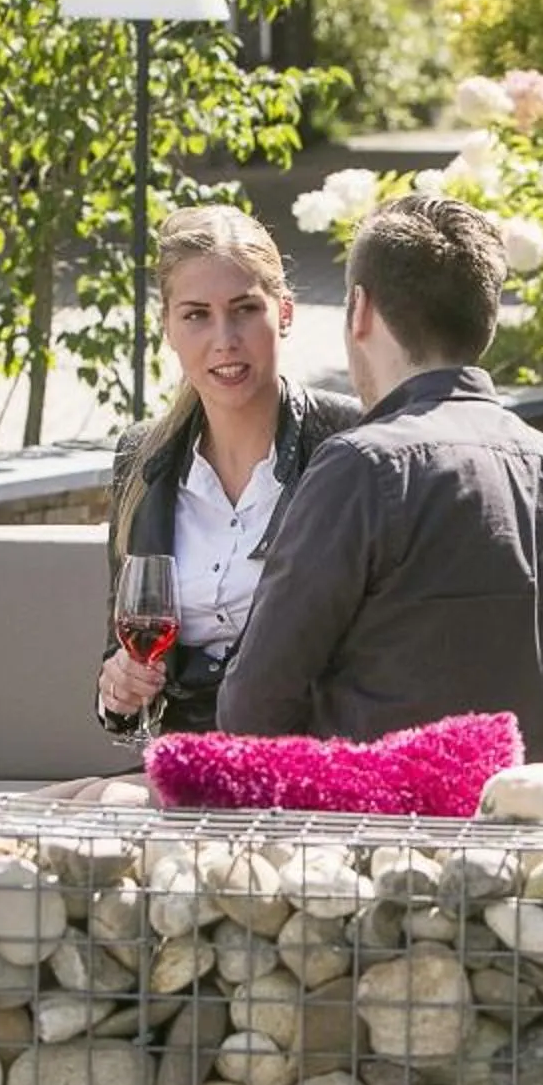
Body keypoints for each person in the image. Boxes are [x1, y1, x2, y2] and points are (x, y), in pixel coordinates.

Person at [215, 193, 543, 758]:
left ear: (360, 310)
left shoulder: (360, 468)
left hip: (357, 828)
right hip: (521, 829)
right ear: (485, 322)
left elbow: (250, 708)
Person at [95, 205, 361, 739]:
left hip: (308, 755)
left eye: (244, 309)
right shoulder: (143, 458)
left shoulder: (351, 443)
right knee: (61, 809)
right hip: (182, 757)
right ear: (167, 327)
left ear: (284, 312)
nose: (224, 339)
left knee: (88, 808)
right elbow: (124, 665)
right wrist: (118, 687)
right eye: (196, 314)